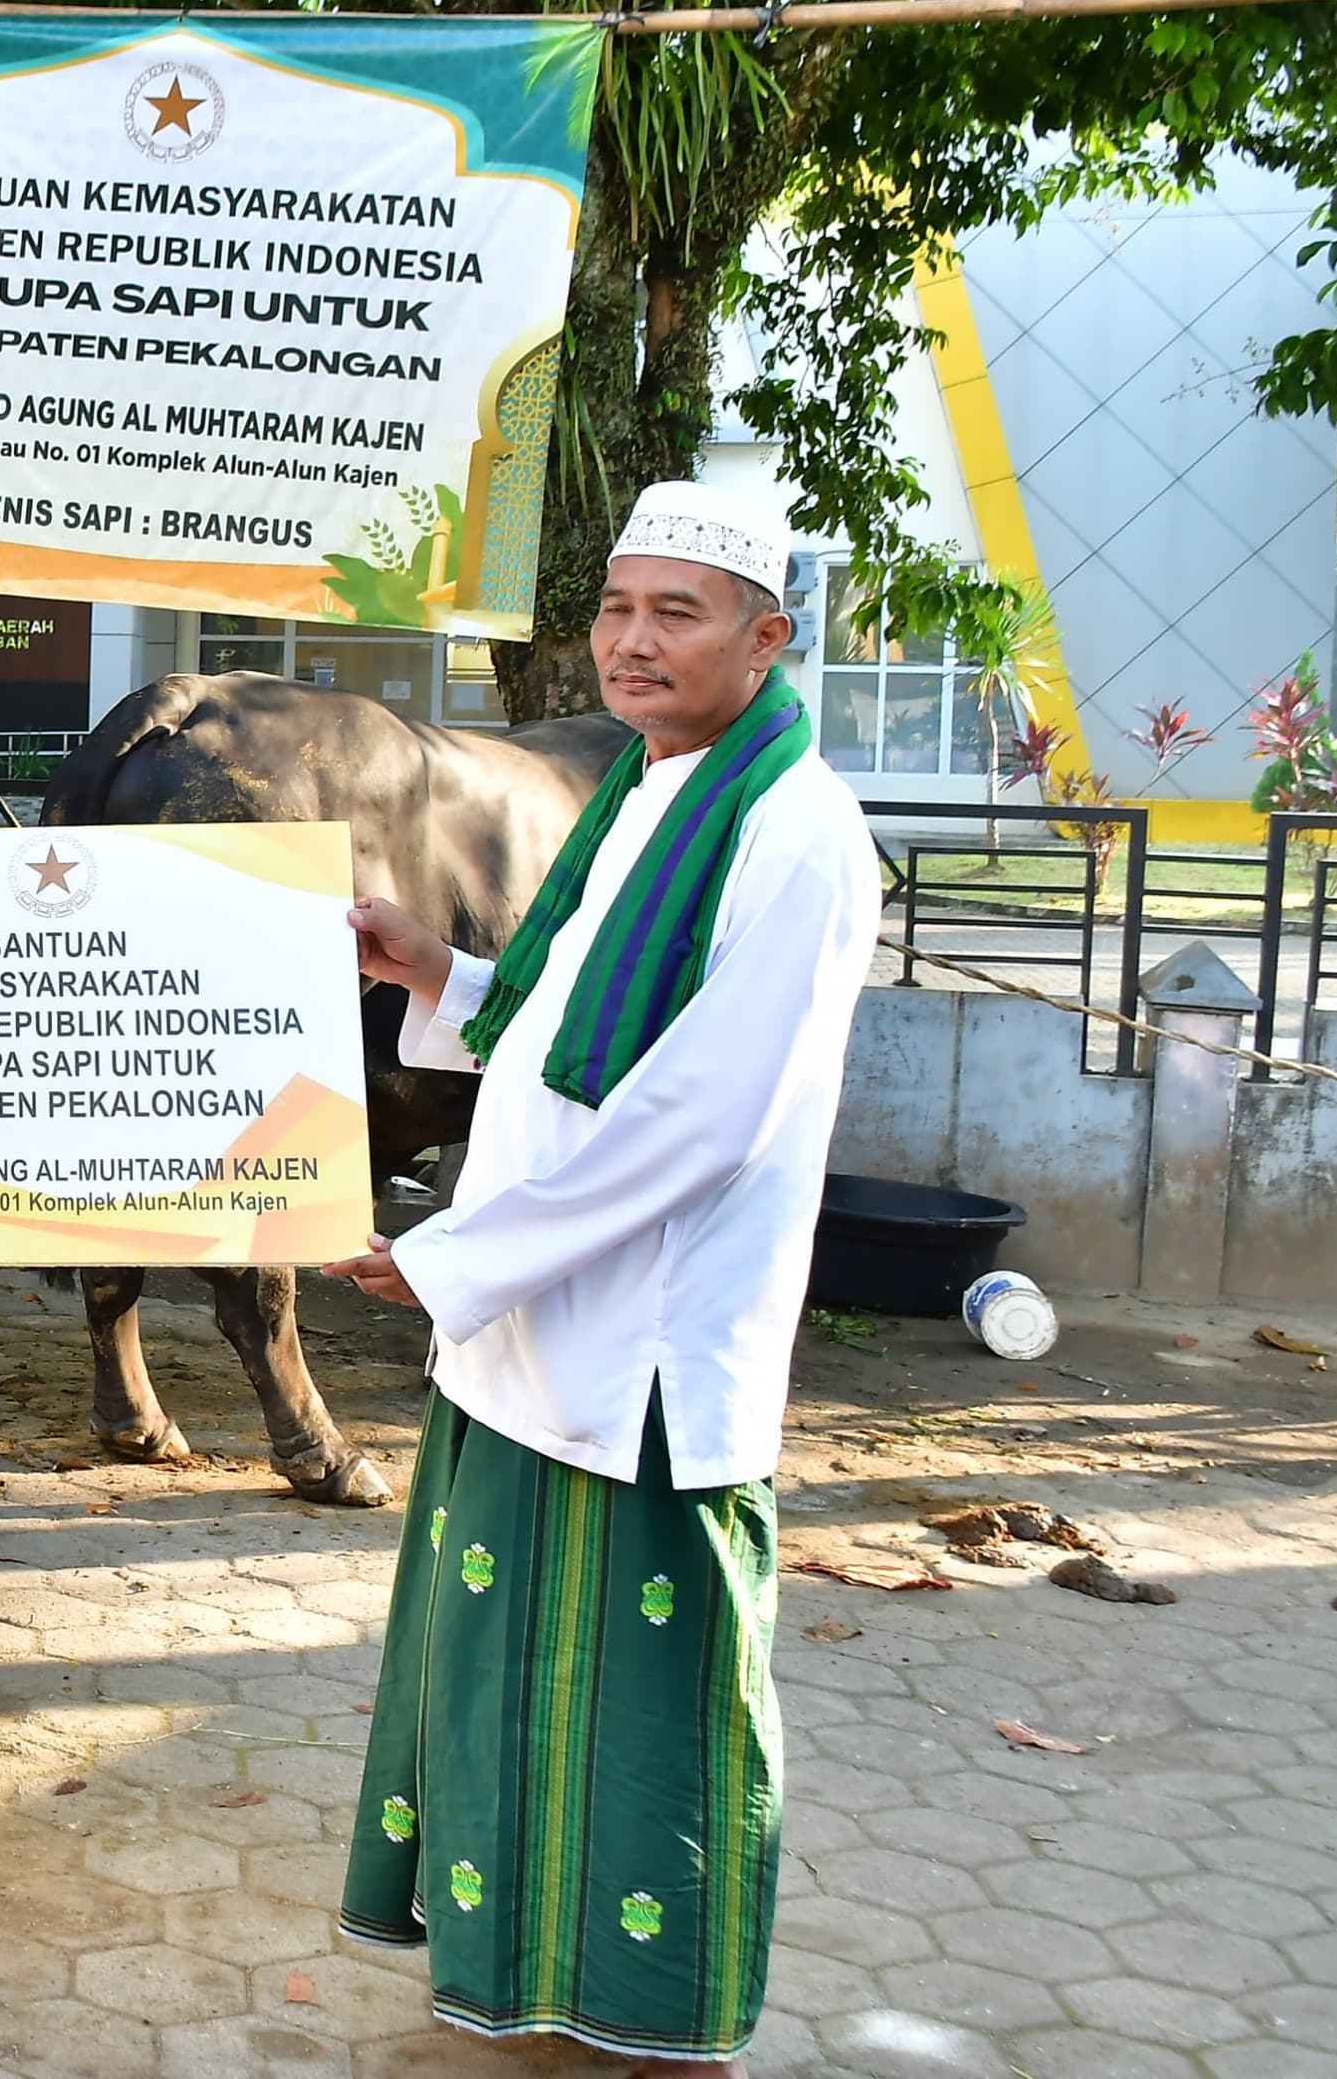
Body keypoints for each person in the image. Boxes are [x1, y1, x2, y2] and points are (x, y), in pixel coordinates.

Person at [328, 481, 878, 2075]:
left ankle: (663, 2024)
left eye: (677, 613)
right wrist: (439, 972)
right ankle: (532, 1994)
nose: (633, 642)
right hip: (530, 1332)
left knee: (652, 1704)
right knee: (506, 1679)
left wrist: (454, 1260)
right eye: (617, 608)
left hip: (640, 1349)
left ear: (769, 637)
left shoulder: (795, 833)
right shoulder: (649, 793)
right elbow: (573, 1023)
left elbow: (701, 1117)